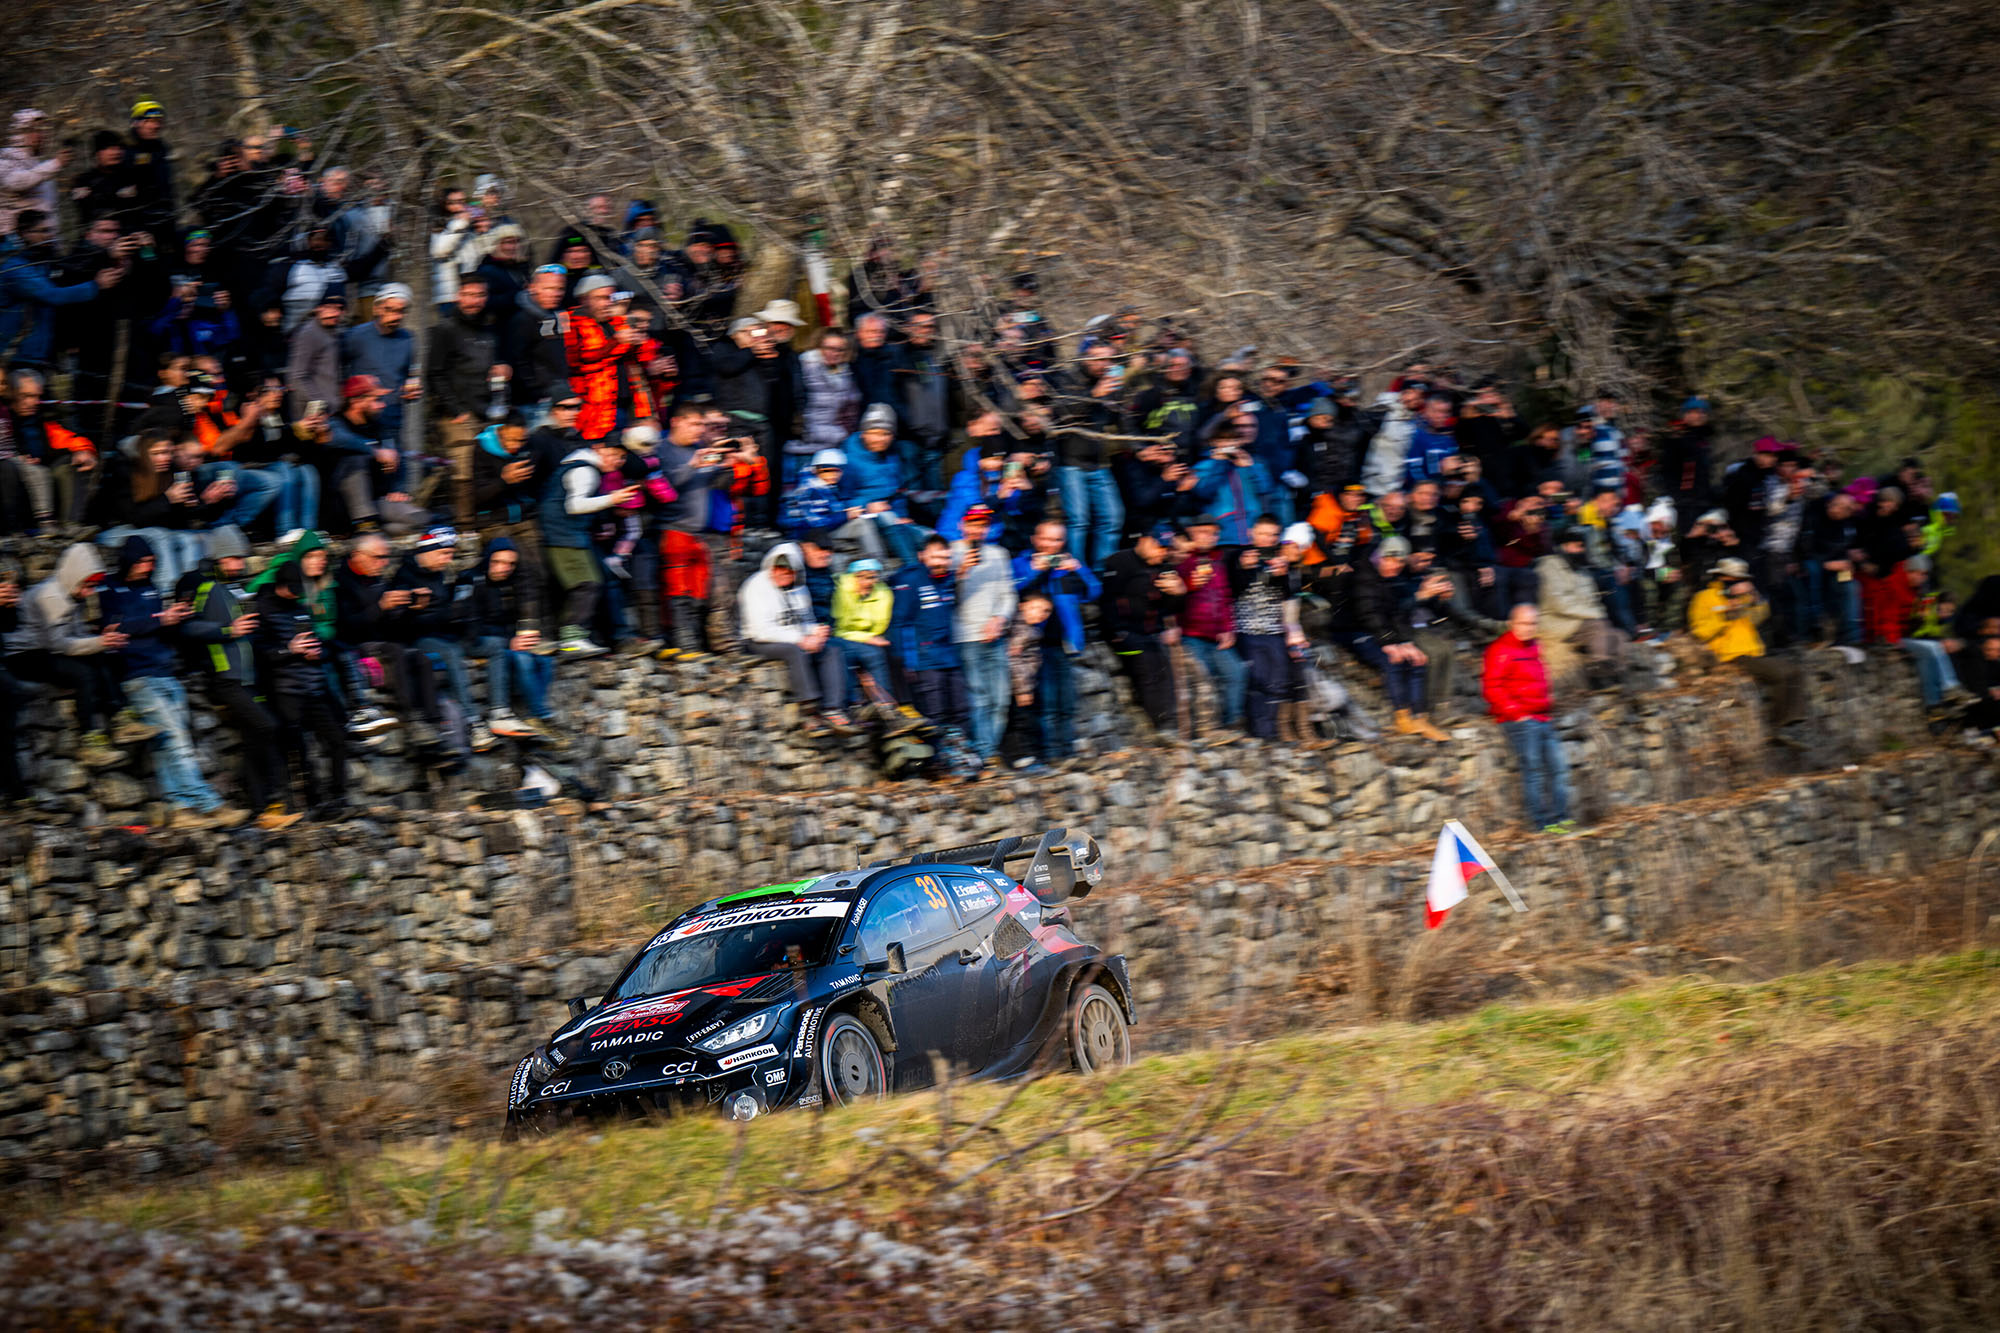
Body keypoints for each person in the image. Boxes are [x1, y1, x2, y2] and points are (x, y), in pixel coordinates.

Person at [98, 535, 243, 827]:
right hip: (138, 677)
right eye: (142, 562)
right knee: (177, 741)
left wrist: (172, 618)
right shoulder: (109, 588)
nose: (147, 567)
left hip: (164, 672)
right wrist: (159, 620)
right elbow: (113, 628)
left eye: (151, 562)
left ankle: (179, 808)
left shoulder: (150, 588)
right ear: (129, 560)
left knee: (169, 742)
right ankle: (208, 804)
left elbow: (155, 624)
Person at [182, 529, 301, 828]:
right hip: (224, 679)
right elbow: (187, 629)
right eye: (233, 558)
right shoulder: (204, 587)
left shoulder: (231, 588)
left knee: (252, 738)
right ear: (218, 556)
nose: (239, 564)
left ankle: (261, 810)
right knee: (268, 726)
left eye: (241, 559)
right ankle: (274, 803)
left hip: (245, 679)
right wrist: (227, 632)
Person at [4, 542, 132, 769]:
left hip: (44, 649)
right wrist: (99, 642)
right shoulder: (52, 597)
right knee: (83, 673)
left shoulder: (73, 593)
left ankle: (121, 717)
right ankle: (89, 740)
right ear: (75, 576)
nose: (91, 591)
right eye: (89, 585)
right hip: (23, 654)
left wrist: (101, 641)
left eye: (94, 586)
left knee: (103, 657)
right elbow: (60, 644)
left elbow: (76, 634)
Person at [332, 532, 445, 753]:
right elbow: (345, 627)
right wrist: (380, 608)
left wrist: (409, 609)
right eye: (378, 557)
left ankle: (434, 723)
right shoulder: (340, 583)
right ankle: (411, 719)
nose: (383, 563)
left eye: (386, 557)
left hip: (382, 642)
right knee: (395, 651)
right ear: (357, 555)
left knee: (421, 658)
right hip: (354, 647)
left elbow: (393, 628)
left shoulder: (378, 579)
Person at [254, 559, 350, 821]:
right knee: (300, 751)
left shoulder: (301, 610)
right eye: (293, 588)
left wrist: (315, 653)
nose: (297, 593)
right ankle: (315, 803)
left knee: (338, 740)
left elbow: (317, 644)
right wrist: (290, 650)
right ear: (281, 586)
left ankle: (339, 798)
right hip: (286, 692)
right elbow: (258, 654)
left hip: (314, 687)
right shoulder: (261, 610)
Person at [390, 525, 492, 752]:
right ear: (427, 551)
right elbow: (398, 626)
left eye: (451, 554)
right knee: (452, 653)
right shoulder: (404, 577)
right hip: (416, 640)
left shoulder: (437, 573)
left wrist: (460, 614)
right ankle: (473, 722)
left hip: (442, 634)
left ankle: (499, 712)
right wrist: (427, 612)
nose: (448, 559)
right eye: (444, 553)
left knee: (494, 645)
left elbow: (444, 612)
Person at [1689, 556, 1807, 745]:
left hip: (1752, 653)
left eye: (1740, 579)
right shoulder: (1704, 598)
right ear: (1721, 577)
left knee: (1794, 671)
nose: (1737, 583)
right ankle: (1776, 726)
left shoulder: (1740, 598)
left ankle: (1792, 724)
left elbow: (1758, 617)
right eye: (1734, 579)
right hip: (1730, 655)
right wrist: (1727, 613)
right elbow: (1700, 631)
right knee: (1782, 673)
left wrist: (1755, 599)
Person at [539, 428, 635, 656]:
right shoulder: (585, 471)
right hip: (563, 535)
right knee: (587, 584)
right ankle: (572, 639)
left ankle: (574, 637)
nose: (618, 461)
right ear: (598, 449)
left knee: (588, 583)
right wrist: (613, 499)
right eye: (613, 454)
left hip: (567, 535)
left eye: (622, 457)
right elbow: (575, 505)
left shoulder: (577, 466)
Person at [1011, 520, 1100, 762]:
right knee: (1047, 704)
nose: (1051, 545)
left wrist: (1077, 569)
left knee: (1067, 703)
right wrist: (1035, 571)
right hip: (1034, 646)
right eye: (1046, 539)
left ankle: (1067, 752)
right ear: (1035, 539)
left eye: (1057, 540)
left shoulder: (1067, 563)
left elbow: (1093, 591)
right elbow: (1012, 591)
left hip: (1064, 644)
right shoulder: (1021, 562)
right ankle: (1051, 754)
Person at [738, 541, 850, 730]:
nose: (782, 573)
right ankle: (809, 710)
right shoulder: (756, 587)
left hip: (792, 636)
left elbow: (803, 622)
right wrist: (801, 639)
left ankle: (833, 708)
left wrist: (816, 632)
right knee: (794, 651)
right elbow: (760, 631)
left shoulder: (799, 589)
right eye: (778, 569)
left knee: (831, 649)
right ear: (771, 568)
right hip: (757, 641)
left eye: (788, 571)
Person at [1483, 604, 1574, 834]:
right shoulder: (1500, 649)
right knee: (1533, 771)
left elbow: (1540, 677)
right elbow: (1492, 687)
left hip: (1542, 717)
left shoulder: (1534, 646)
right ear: (1512, 624)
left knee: (1559, 769)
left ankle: (1560, 819)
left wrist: (1548, 700)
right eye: (1524, 623)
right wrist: (1516, 712)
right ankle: (1540, 824)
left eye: (1533, 623)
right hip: (1521, 721)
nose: (1528, 628)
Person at [426, 273, 506, 527]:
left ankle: (488, 522)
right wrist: (455, 409)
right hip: (455, 414)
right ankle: (464, 527)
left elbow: (493, 364)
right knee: (463, 468)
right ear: (458, 295)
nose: (476, 301)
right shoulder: (445, 329)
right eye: (470, 295)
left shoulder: (489, 329)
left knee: (492, 466)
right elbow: (434, 373)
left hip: (486, 409)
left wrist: (501, 370)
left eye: (480, 295)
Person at [468, 537, 564, 746]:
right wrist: (508, 641)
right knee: (523, 659)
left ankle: (535, 714)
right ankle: (539, 715)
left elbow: (518, 616)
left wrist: (524, 636)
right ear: (487, 559)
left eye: (510, 564)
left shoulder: (512, 582)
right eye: (498, 562)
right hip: (480, 641)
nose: (504, 568)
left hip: (505, 639)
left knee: (545, 659)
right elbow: (470, 627)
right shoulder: (471, 579)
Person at [1099, 524, 1188, 737]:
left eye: (1166, 548)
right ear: (1144, 540)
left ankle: (1168, 725)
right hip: (1121, 637)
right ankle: (1162, 726)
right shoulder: (1119, 562)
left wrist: (1179, 593)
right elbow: (1106, 602)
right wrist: (1118, 633)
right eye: (1159, 546)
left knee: (1163, 666)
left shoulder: (1166, 569)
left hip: (1149, 634)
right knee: (1147, 663)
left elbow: (1171, 608)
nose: (1163, 552)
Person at [951, 503, 1018, 764]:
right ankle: (986, 754)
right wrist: (961, 572)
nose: (978, 529)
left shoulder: (999, 554)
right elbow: (946, 597)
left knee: (1000, 699)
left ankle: (989, 751)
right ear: (962, 526)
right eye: (973, 524)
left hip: (995, 634)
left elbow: (1008, 593)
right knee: (978, 697)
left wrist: (1000, 619)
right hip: (966, 636)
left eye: (983, 524)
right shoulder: (951, 552)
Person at [1176, 514, 1247, 732]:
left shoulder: (1219, 563)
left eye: (1213, 533)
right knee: (1200, 683)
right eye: (1202, 532)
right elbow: (1172, 598)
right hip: (1191, 636)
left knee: (1237, 672)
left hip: (1217, 637)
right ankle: (1204, 731)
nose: (1208, 537)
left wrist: (1228, 629)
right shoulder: (1182, 561)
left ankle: (1231, 724)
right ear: (1192, 534)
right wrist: (1189, 585)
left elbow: (1226, 598)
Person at [1536, 525, 1627, 691]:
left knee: (1618, 635)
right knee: (1599, 626)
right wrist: (1595, 615)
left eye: (1582, 545)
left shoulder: (1583, 571)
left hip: (1582, 623)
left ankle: (1616, 675)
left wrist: (1597, 614)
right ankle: (1599, 674)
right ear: (1563, 547)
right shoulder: (1548, 566)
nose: (1580, 549)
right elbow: (1559, 603)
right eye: (1575, 545)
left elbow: (1593, 601)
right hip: (1556, 622)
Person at [889, 534, 966, 732]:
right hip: (923, 659)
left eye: (945, 558)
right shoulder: (911, 579)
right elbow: (900, 622)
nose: (941, 563)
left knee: (961, 709)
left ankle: (959, 755)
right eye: (935, 558)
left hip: (949, 656)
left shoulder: (949, 579)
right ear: (922, 556)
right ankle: (937, 759)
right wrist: (905, 662)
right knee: (934, 714)